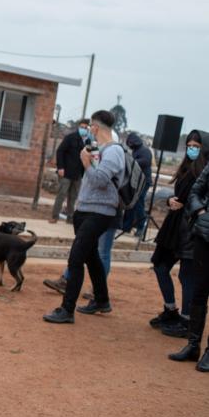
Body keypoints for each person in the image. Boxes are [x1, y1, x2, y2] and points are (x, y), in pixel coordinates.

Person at [44, 110, 124, 324]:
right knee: (91, 257)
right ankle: (101, 300)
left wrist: (86, 163)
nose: (88, 131)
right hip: (86, 210)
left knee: (76, 258)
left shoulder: (114, 152)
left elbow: (100, 180)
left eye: (90, 127)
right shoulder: (98, 149)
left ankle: (67, 309)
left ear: (95, 128)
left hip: (100, 213)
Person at [152, 131, 209, 337]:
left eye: (196, 145)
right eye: (189, 145)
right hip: (174, 228)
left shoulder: (205, 171)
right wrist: (170, 201)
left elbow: (199, 200)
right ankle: (171, 309)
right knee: (160, 266)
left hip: (191, 231)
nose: (192, 149)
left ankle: (187, 321)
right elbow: (179, 195)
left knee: (187, 276)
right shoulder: (186, 168)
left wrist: (192, 208)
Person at [169, 161, 209, 372]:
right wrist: (201, 213)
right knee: (199, 291)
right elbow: (196, 190)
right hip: (204, 236)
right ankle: (193, 345)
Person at [49, 119, 90, 224]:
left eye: (86, 128)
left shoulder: (88, 142)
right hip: (66, 172)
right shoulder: (70, 138)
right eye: (82, 127)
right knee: (61, 194)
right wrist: (60, 167)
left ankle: (70, 218)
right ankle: (54, 216)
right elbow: (60, 151)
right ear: (78, 127)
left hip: (78, 174)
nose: (84, 129)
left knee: (73, 197)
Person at [122, 132, 153, 236]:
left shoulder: (145, 150)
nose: (129, 145)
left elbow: (145, 161)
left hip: (144, 182)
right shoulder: (135, 150)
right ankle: (126, 226)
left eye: (130, 143)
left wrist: (131, 161)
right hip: (136, 181)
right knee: (130, 203)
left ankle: (141, 227)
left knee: (139, 204)